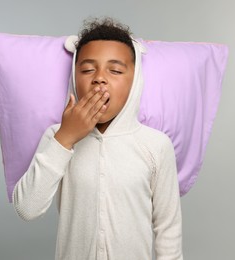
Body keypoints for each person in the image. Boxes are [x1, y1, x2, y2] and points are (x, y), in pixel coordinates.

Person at [12, 17, 183, 260]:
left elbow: (168, 229)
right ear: (74, 77)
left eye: (114, 70)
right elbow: (27, 209)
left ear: (135, 81)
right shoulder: (57, 136)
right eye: (87, 69)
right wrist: (65, 139)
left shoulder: (156, 145)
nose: (99, 78)